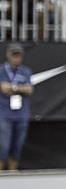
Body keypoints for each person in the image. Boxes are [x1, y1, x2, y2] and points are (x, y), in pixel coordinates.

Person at [0, 43, 34, 171]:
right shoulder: (2, 71)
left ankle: (12, 175)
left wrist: (13, 88)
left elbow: (29, 90)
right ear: (8, 55)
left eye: (19, 55)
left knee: (17, 147)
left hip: (21, 115)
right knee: (3, 147)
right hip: (4, 115)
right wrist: (21, 89)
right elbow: (3, 88)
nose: (17, 58)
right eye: (14, 55)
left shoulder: (26, 71)